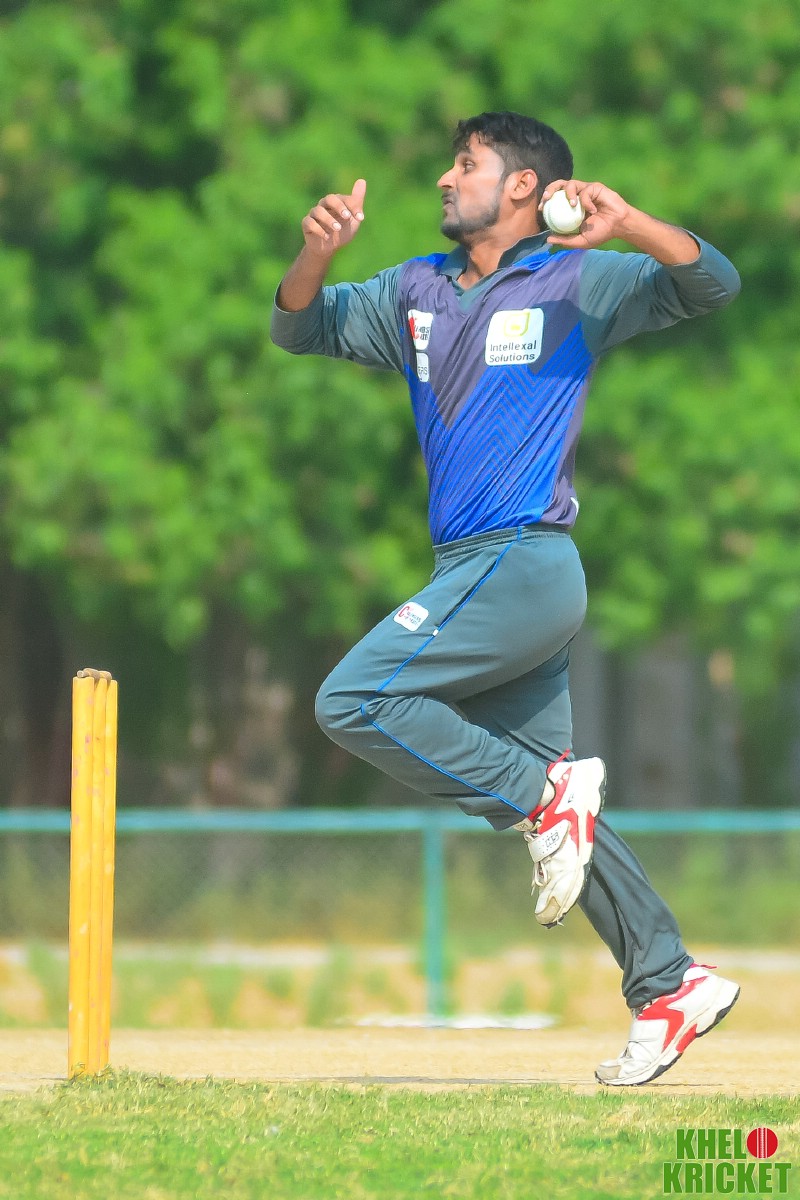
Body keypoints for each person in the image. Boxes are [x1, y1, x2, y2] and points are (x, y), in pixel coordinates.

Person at [270, 111, 741, 1085]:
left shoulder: (579, 279)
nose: (446, 179)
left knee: (352, 700)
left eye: (466, 164)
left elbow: (713, 283)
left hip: (523, 561)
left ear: (523, 185)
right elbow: (298, 327)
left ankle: (542, 798)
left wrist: (629, 223)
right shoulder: (416, 288)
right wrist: (316, 252)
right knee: (557, 817)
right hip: (473, 572)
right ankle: (668, 981)